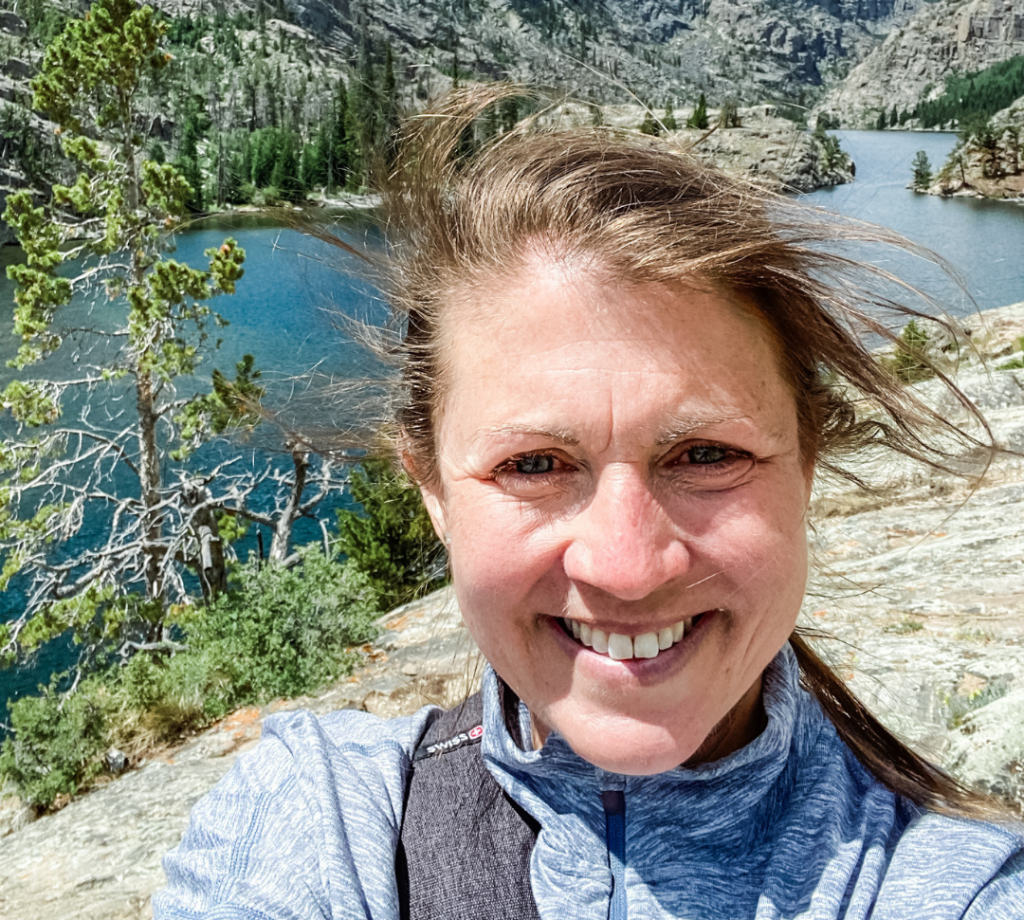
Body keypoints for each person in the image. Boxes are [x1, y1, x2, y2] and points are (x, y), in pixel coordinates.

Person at [154, 87, 1024, 920]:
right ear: (431, 489)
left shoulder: (955, 882)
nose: (628, 567)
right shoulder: (324, 824)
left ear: (806, 469)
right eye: (534, 464)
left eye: (707, 455)